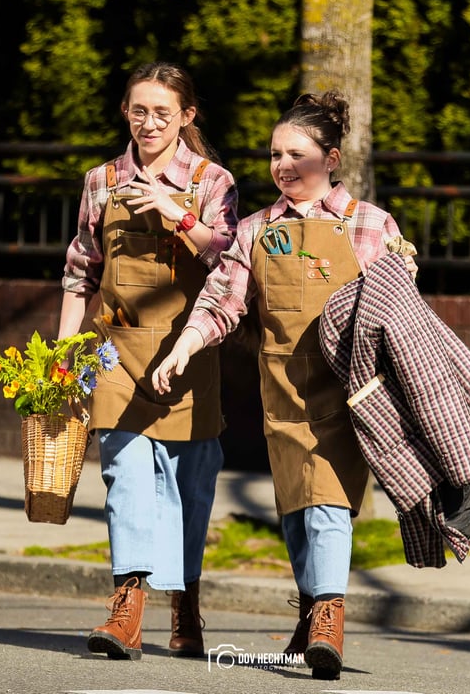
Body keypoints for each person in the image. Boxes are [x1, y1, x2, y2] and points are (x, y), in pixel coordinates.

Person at [151, 91, 414, 680]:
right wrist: (183, 346)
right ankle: (310, 611)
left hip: (349, 395)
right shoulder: (254, 230)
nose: (283, 166)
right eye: (274, 155)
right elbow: (221, 301)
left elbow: (402, 312)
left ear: (332, 159)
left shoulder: (370, 225)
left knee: (326, 503)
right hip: (283, 393)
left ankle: (328, 617)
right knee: (296, 508)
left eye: (297, 154)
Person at [57, 61, 238, 661]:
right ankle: (127, 606)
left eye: (163, 112)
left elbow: (229, 263)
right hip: (115, 352)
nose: (149, 122)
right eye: (139, 110)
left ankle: (184, 599)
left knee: (191, 490)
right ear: (125, 113)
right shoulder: (100, 180)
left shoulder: (214, 183)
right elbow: (80, 271)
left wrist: (177, 212)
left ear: (186, 116)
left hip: (187, 355)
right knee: (125, 474)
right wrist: (61, 359)